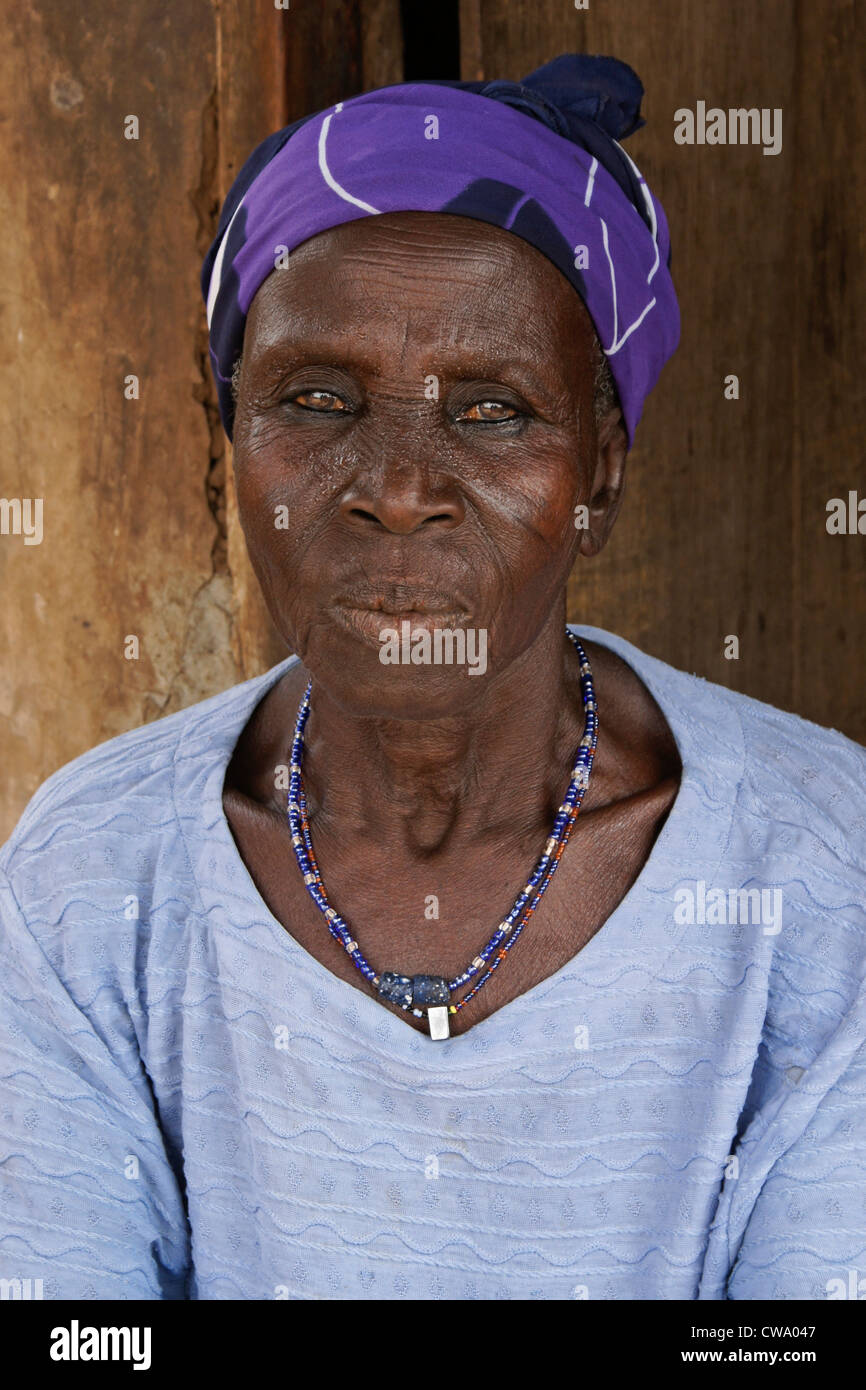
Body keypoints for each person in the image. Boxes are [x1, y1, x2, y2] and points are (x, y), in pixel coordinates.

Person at [1, 55, 864, 1301]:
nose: (396, 489)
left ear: (601, 477)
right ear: (232, 442)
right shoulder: (93, 876)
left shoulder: (818, 869)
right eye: (313, 397)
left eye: (491, 412)